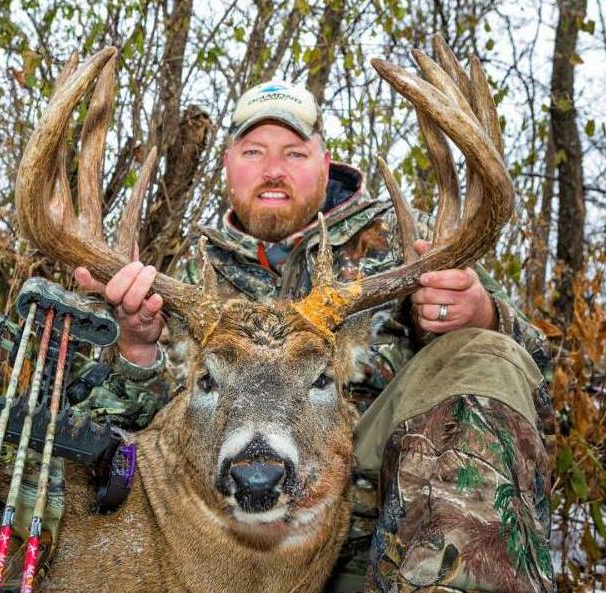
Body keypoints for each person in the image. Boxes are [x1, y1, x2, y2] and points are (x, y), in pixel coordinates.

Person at [74, 81, 555, 593]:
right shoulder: (168, 279)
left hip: (388, 530)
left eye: (294, 152)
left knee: (482, 353)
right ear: (228, 165)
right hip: (212, 542)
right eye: (254, 151)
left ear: (326, 164)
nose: (273, 170)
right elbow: (107, 452)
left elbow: (531, 376)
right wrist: (136, 347)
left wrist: (478, 314)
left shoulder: (404, 258)